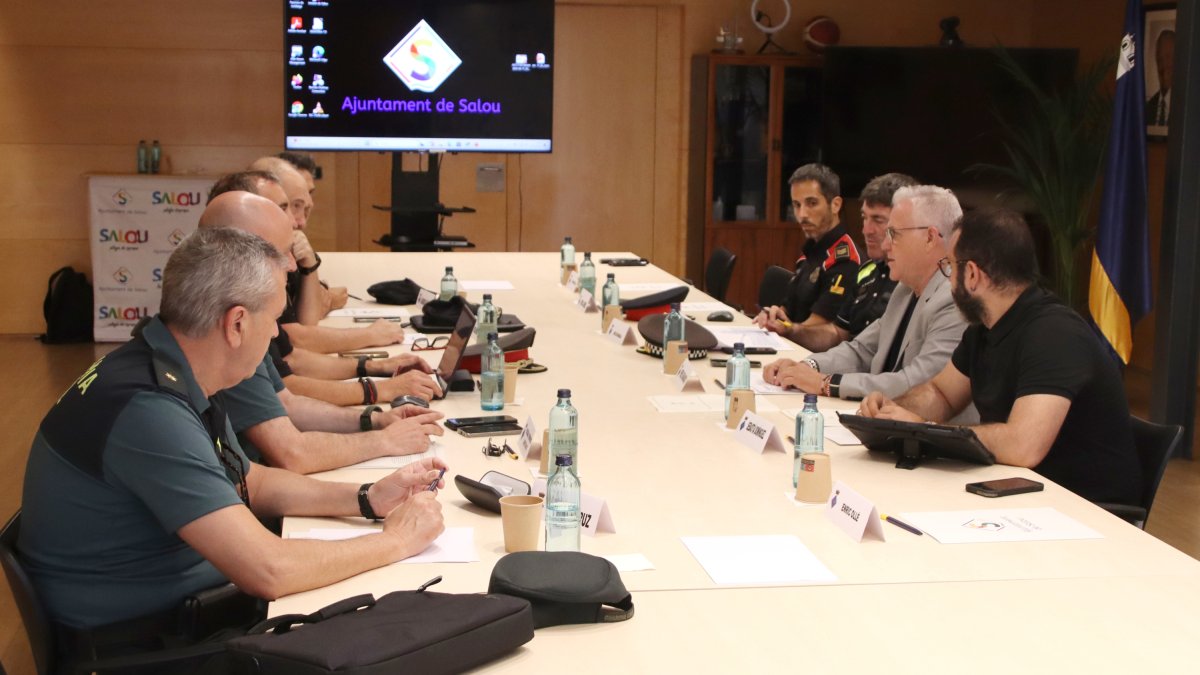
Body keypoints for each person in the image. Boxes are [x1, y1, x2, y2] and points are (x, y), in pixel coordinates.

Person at [19, 227, 447, 633]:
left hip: (177, 603)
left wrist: (367, 498)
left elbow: (249, 481)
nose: (278, 333)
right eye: (275, 317)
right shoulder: (148, 410)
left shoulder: (171, 365)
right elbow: (269, 570)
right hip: (148, 636)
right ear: (237, 323)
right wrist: (395, 541)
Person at [858, 208, 1140, 504]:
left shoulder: (1055, 336)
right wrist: (892, 414)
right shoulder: (985, 328)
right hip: (1019, 492)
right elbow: (941, 393)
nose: (948, 280)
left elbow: (1024, 445)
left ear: (971, 275)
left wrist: (924, 430)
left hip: (1086, 511)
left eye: (949, 268)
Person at [200, 190, 444, 473]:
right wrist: (382, 439)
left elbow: (287, 404)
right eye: (281, 252)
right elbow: (291, 454)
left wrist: (374, 419)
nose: (292, 263)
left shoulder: (243, 314)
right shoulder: (230, 333)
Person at [765, 186, 973, 422]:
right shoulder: (905, 289)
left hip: (937, 444)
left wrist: (827, 383)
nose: (885, 245)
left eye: (894, 234)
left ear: (929, 238)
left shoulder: (954, 299)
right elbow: (860, 349)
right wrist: (806, 366)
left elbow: (917, 383)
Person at [788, 172, 917, 352]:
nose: (866, 230)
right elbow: (838, 335)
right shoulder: (867, 272)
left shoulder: (916, 283)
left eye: (878, 220)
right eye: (864, 218)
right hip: (847, 370)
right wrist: (790, 331)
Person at [753, 164, 861, 343]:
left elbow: (817, 328)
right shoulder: (811, 251)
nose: (802, 214)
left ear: (835, 205)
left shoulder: (845, 259)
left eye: (812, 203)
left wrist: (784, 328)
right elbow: (788, 311)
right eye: (796, 205)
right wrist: (773, 315)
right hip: (790, 346)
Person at [1145, 29, 1175, 128]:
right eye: (1160, 59)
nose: (1163, 65)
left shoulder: (1186, 106)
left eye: (1168, 57)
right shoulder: (1148, 107)